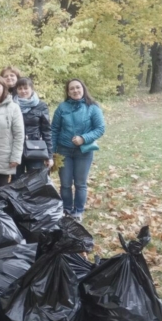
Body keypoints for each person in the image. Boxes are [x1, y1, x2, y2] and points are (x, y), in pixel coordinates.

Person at [51, 78, 105, 221]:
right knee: (65, 183)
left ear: (83, 89)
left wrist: (84, 138)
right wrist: (51, 151)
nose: (75, 90)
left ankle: (78, 211)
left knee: (80, 183)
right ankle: (67, 210)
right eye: (72, 89)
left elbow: (100, 128)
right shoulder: (62, 108)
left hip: (84, 152)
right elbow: (54, 130)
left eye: (78, 87)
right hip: (64, 151)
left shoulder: (92, 107)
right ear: (68, 92)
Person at [14, 77, 54, 176]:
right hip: (16, 150)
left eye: (26, 88)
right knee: (16, 182)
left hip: (35, 149)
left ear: (31, 88)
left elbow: (46, 131)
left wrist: (49, 156)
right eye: (20, 88)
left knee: (35, 182)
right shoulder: (12, 105)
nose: (23, 91)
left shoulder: (41, 106)